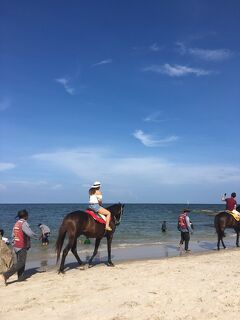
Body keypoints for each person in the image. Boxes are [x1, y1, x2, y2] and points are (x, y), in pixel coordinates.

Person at [0, 209, 37, 286]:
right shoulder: (24, 223)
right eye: (27, 215)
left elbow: (12, 235)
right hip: (21, 245)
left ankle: (20, 277)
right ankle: (5, 276)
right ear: (25, 216)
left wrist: (14, 243)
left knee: (20, 261)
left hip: (16, 245)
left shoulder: (17, 223)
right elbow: (29, 233)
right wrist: (37, 237)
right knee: (21, 262)